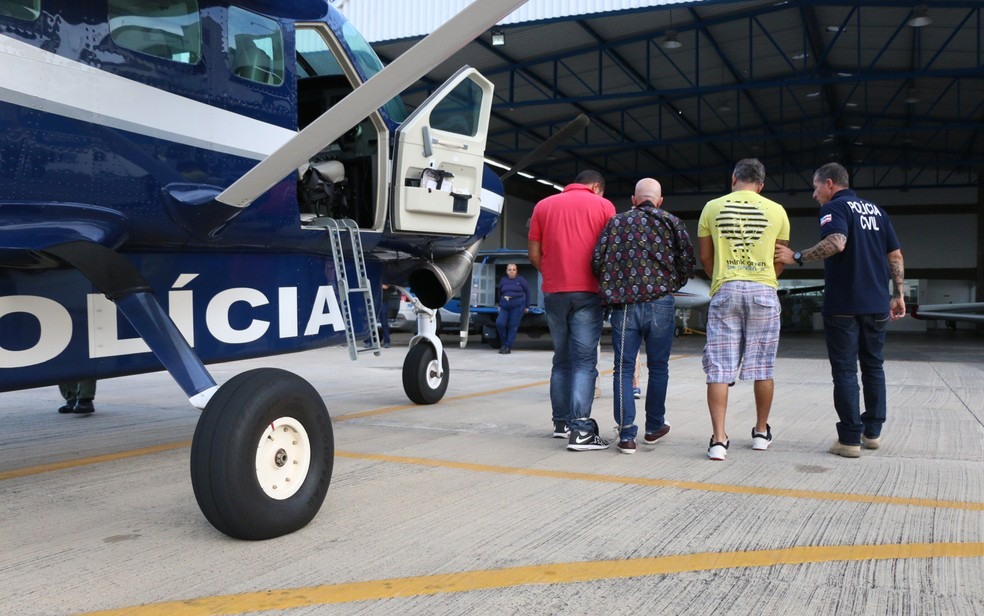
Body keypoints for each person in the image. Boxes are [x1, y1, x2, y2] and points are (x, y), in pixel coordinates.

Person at [775, 162, 905, 458]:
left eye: (815, 187)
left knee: (846, 371)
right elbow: (895, 254)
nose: (814, 194)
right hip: (876, 304)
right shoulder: (877, 212)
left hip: (845, 305)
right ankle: (872, 433)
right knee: (874, 367)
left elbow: (836, 242)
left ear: (830, 184)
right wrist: (898, 294)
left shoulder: (835, 208)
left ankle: (849, 439)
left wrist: (797, 256)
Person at [592, 177, 696, 454]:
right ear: (659, 201)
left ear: (634, 199)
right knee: (659, 367)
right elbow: (687, 260)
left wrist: (613, 285)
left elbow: (597, 260)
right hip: (661, 302)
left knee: (624, 368)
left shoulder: (616, 222)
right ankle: (653, 427)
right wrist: (671, 284)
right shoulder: (671, 222)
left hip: (625, 305)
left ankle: (626, 435)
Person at [697, 158, 790, 460]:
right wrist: (763, 280)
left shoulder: (712, 207)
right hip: (763, 289)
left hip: (726, 287)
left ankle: (719, 440)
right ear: (761, 184)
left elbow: (706, 259)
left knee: (720, 369)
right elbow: (781, 259)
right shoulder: (777, 211)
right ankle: (761, 433)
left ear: (733, 178)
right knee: (763, 366)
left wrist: (724, 279)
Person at [529, 169, 615, 451]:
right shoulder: (604, 206)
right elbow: (610, 253)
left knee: (561, 359)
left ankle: (560, 423)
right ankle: (580, 430)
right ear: (597, 187)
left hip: (554, 293)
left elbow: (534, 253)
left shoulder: (543, 205)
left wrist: (554, 276)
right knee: (584, 362)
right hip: (588, 293)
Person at [495, 263, 530, 354]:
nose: (512, 271)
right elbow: (499, 292)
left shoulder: (521, 280)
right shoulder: (503, 280)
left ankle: (507, 347)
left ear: (516, 271)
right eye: (510, 269)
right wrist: (499, 304)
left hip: (517, 305)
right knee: (500, 323)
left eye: (514, 269)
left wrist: (527, 306)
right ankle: (504, 344)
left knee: (513, 326)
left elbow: (528, 292)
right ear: (507, 271)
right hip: (505, 305)